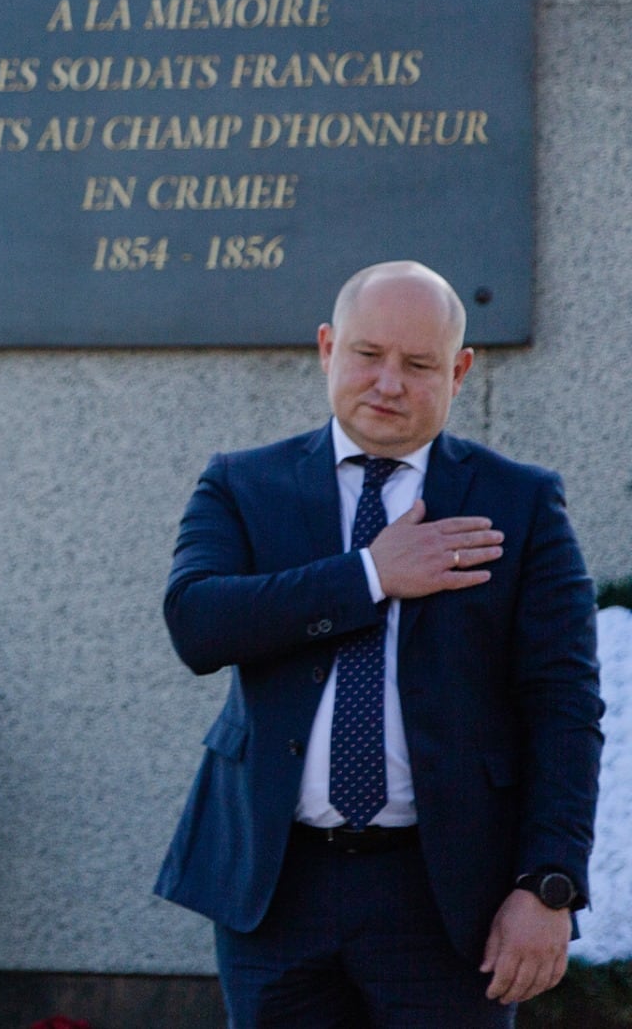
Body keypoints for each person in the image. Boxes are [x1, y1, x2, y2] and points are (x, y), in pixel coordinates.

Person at [155, 260, 602, 1027]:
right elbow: (198, 624)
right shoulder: (242, 484)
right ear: (328, 348)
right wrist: (370, 575)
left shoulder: (517, 504)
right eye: (368, 355)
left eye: (419, 364)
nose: (388, 382)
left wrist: (549, 882)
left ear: (459, 371)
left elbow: (564, 706)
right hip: (275, 888)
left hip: (447, 894)